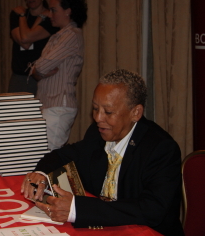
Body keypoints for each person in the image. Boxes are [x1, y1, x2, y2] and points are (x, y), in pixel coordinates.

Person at [21, 69, 184, 236]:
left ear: (136, 112)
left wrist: (77, 209)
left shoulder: (161, 148)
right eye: (95, 108)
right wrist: (40, 174)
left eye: (108, 112)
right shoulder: (97, 133)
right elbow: (63, 155)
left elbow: (151, 210)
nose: (98, 118)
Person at [30, 0, 87, 151]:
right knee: (41, 156)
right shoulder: (60, 35)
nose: (49, 14)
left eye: (54, 10)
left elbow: (40, 66)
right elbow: (37, 68)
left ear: (68, 11)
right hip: (50, 105)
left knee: (48, 157)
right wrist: (37, 70)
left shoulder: (71, 34)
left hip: (58, 107)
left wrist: (37, 70)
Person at [9, 0, 59, 95]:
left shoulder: (50, 18)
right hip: (19, 77)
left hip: (41, 78)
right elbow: (23, 41)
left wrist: (41, 17)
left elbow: (26, 38)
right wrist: (22, 16)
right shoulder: (17, 14)